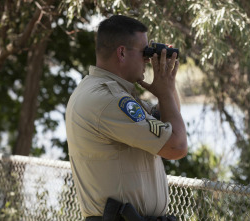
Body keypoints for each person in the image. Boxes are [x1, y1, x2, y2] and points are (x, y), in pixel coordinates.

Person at [65, 15, 188, 220]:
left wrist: (168, 85)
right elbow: (176, 146)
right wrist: (165, 93)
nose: (148, 60)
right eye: (145, 52)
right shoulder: (107, 100)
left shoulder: (104, 93)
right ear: (121, 53)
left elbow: (164, 123)